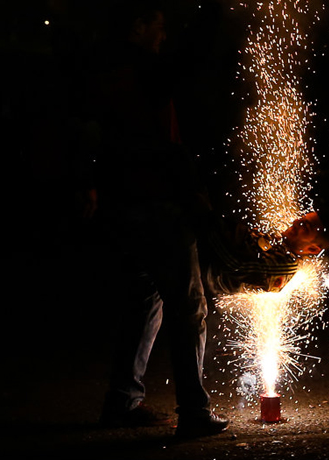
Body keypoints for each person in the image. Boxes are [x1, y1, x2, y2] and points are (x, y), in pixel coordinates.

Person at [89, 1, 228, 437]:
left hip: (124, 205)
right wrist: (216, 12)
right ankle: (193, 413)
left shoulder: (107, 72)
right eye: (159, 26)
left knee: (144, 300)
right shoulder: (143, 72)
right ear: (138, 26)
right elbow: (187, 62)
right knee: (188, 307)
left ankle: (122, 403)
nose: (163, 36)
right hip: (159, 205)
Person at [199, 210, 329, 297]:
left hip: (201, 276)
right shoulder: (279, 244)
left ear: (313, 249)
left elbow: (236, 264)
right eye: (301, 219)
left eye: (305, 226)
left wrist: (206, 222)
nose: (296, 222)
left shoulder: (285, 265)